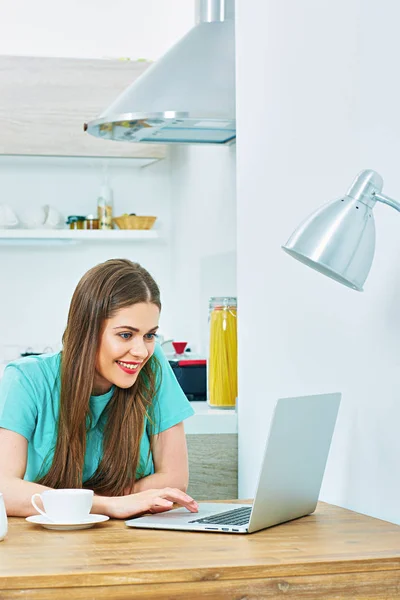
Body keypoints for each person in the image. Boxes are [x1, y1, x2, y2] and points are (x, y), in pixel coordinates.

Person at [0, 259, 199, 519]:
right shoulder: (25, 379)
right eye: (126, 335)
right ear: (87, 332)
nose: (141, 351)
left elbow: (174, 480)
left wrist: (87, 502)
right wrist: (109, 505)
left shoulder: (153, 366)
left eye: (149, 335)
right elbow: (4, 489)